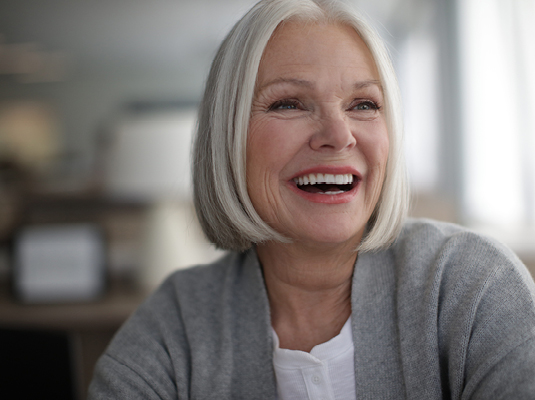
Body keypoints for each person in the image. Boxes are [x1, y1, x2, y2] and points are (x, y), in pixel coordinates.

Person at [89, 0, 535, 398]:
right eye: (288, 104)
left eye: (363, 104)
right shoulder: (175, 327)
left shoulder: (473, 286)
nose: (339, 136)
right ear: (226, 138)